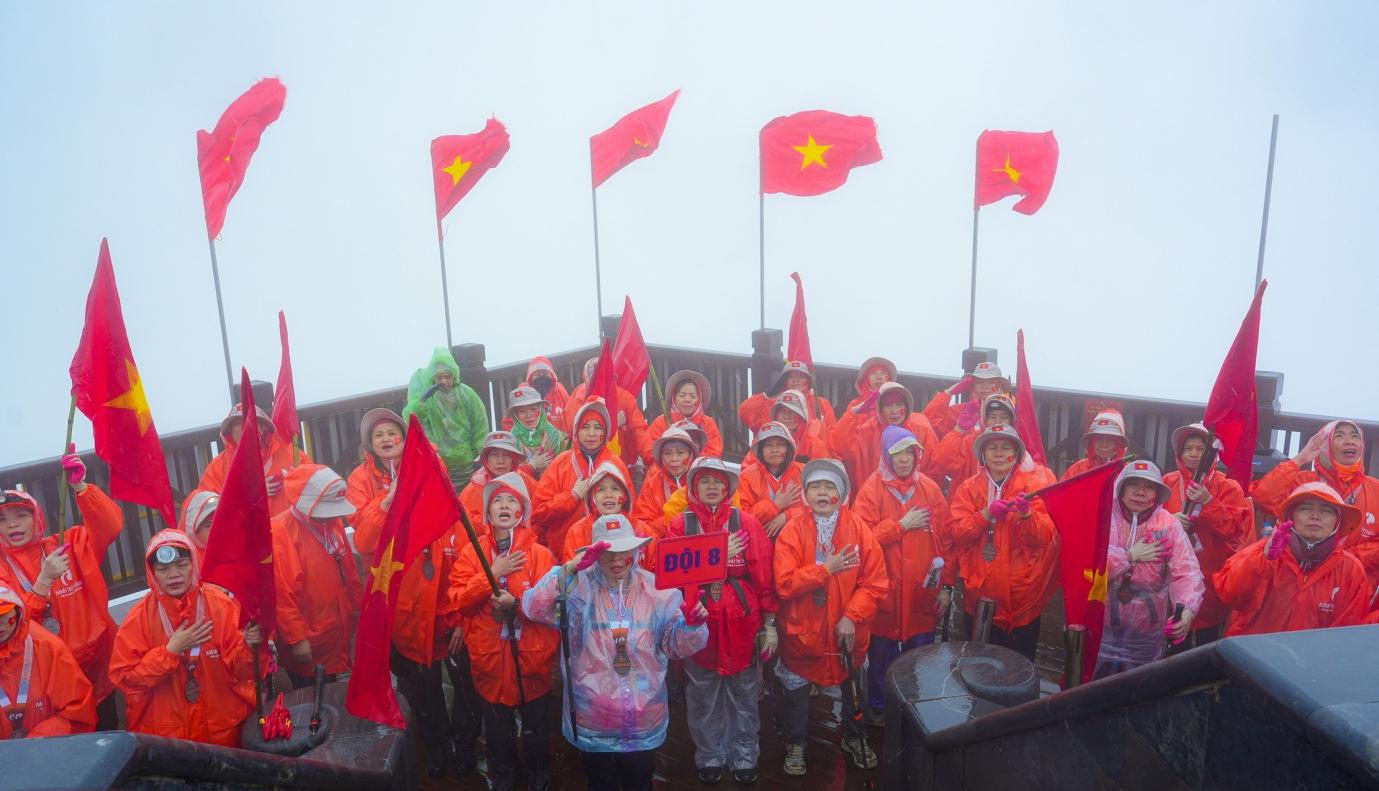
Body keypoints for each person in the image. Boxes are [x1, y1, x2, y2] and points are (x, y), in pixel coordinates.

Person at [522, 515, 709, 791]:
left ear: (635, 551)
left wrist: (692, 626)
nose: (616, 560)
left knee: (639, 782)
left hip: (644, 715)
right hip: (592, 718)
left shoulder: (658, 590)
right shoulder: (575, 587)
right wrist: (568, 570)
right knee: (600, 783)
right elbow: (535, 607)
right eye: (607, 553)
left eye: (624, 551)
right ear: (595, 554)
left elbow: (675, 646)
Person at [346, 409, 474, 777]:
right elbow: (366, 539)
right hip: (399, 595)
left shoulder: (430, 465)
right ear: (369, 444)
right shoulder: (360, 480)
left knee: (465, 678)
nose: (387, 439)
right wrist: (386, 502)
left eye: (393, 432)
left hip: (443, 585)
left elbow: (452, 519)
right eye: (378, 435)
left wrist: (462, 612)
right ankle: (436, 747)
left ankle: (464, 745)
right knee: (424, 683)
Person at [663, 457, 777, 785]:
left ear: (728, 488)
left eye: (718, 482)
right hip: (699, 624)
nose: (712, 487)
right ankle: (710, 755)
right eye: (705, 481)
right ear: (693, 487)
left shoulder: (749, 524)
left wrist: (769, 625)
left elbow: (763, 578)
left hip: (742, 623)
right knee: (702, 695)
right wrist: (718, 557)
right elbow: (672, 579)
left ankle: (744, 755)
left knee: (744, 694)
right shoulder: (680, 526)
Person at [773, 459, 887, 776]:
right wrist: (824, 571)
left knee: (853, 684)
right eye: (815, 486)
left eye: (829, 486)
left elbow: (874, 582)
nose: (822, 492)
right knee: (795, 688)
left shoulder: (859, 530)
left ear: (841, 492)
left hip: (847, 633)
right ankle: (796, 743)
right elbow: (784, 584)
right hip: (802, 632)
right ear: (806, 493)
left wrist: (852, 616)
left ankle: (854, 737)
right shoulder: (792, 530)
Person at [447, 473, 558, 791]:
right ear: (487, 511)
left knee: (536, 723)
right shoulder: (472, 553)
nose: (505, 505)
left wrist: (518, 603)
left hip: (532, 659)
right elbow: (460, 602)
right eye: (497, 500)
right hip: (490, 660)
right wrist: (490, 576)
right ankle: (504, 772)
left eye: (512, 500)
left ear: (522, 510)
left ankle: (539, 770)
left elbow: (552, 606)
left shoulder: (540, 555)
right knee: (497, 727)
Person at [0, 449, 123, 729]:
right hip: (48, 678)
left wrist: (81, 487)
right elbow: (13, 627)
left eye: (21, 515)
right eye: (3, 520)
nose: (13, 525)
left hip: (98, 664)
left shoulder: (70, 544)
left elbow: (110, 526)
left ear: (37, 518)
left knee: (108, 736)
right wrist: (44, 582)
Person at [109, 530, 258, 746]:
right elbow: (125, 679)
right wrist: (169, 652)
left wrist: (251, 647)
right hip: (169, 739)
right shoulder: (139, 618)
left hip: (224, 729)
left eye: (182, 565)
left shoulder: (221, 605)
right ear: (152, 573)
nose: (174, 574)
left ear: (194, 564)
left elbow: (243, 671)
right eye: (163, 569)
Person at [850, 426, 952, 723]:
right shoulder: (872, 489)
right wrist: (900, 525)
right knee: (881, 655)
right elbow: (861, 539)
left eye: (910, 452)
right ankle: (880, 707)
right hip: (884, 592)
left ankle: (911, 706)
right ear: (886, 456)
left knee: (919, 657)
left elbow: (946, 542)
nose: (905, 459)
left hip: (922, 592)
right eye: (897, 453)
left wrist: (946, 586)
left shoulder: (930, 489)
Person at [946, 424, 1058, 661]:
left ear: (1016, 454)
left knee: (1020, 668)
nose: (998, 453)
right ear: (983, 454)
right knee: (978, 667)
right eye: (992, 448)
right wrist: (985, 515)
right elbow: (957, 532)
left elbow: (1043, 539)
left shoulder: (1033, 487)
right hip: (979, 598)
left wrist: (1028, 516)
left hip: (1023, 601)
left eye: (1005, 447)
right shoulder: (968, 489)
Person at [1094, 461, 1205, 679]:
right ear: (1122, 488)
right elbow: (1086, 564)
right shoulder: (1104, 518)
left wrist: (1188, 612)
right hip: (1100, 626)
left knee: (1138, 690)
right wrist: (1128, 556)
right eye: (1133, 484)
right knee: (1093, 689)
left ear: (1156, 493)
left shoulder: (1168, 525)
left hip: (1145, 632)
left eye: (1149, 486)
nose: (1140, 492)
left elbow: (1187, 573)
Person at [1215, 482, 1370, 636]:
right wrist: (1262, 560)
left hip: (1310, 660)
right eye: (1306, 508)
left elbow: (1346, 633)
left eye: (1326, 510)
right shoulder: (1263, 551)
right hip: (1253, 656)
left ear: (1338, 522)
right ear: (1291, 516)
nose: (1315, 516)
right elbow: (1229, 595)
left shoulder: (1351, 570)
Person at [1251, 420, 1379, 588]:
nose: (1349, 440)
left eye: (1355, 436)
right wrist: (1300, 458)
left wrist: (1346, 559)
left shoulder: (1375, 489)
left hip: (1352, 586)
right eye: (1339, 436)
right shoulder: (1304, 482)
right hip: (1296, 583)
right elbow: (1263, 497)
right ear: (1325, 446)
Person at [1161, 422, 1253, 646]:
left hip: (1211, 581)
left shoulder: (1229, 487)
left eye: (1200, 448)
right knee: (1173, 646)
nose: (1193, 454)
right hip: (1172, 578)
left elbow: (1235, 531)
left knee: (1206, 647)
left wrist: (1209, 503)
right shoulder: (1167, 482)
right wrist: (1170, 522)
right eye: (1188, 448)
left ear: (1211, 453)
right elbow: (1150, 524)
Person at [272, 465, 363, 690]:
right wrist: (297, 640)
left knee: (331, 690)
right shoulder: (281, 533)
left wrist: (359, 607)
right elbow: (283, 594)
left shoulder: (331, 523)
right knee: (312, 698)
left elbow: (349, 571)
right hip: (309, 641)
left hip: (335, 632)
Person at [533, 399, 631, 557]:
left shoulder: (616, 465)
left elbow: (630, 511)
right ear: (576, 431)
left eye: (598, 427)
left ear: (605, 433)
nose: (592, 433)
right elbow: (538, 514)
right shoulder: (561, 464)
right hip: (565, 555)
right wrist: (571, 497)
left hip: (612, 554)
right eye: (585, 427)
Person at [0, 585, 96, 739]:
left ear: (18, 611)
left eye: (3, 613)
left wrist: (35, 744)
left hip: (50, 754)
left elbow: (77, 711)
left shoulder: (48, 647)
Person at [198, 402, 311, 516]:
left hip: (287, 531)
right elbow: (206, 511)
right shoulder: (217, 468)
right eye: (237, 423)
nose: (245, 427)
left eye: (250, 420)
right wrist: (248, 494)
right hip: (246, 533)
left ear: (263, 427)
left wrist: (296, 482)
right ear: (230, 432)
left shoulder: (292, 455)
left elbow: (315, 489)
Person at [831, 381, 941, 495]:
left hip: (913, 501)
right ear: (879, 408)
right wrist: (852, 413)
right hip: (873, 501)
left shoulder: (921, 428)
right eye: (888, 405)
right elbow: (842, 449)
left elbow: (934, 468)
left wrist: (925, 495)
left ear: (907, 406)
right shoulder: (867, 431)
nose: (894, 411)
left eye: (899, 405)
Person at [403, 346, 490, 490]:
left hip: (467, 465)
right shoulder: (428, 399)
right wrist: (421, 402)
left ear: (454, 375)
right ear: (432, 377)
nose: (444, 381)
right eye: (439, 377)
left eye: (448, 376)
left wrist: (479, 455)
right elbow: (411, 420)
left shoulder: (467, 394)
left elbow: (480, 424)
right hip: (439, 467)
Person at [561, 462, 656, 570]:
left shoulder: (643, 530)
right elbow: (570, 577)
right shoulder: (577, 532)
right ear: (592, 497)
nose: (608, 495)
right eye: (601, 490)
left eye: (615, 489)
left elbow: (655, 573)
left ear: (625, 495)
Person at [563, 358, 651, 468]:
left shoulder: (625, 398)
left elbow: (639, 432)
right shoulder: (577, 396)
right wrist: (611, 424)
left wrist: (651, 459)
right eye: (596, 379)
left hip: (620, 464)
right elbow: (570, 429)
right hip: (584, 465)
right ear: (586, 378)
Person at [459, 431, 539, 535]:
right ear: (485, 459)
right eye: (494, 455)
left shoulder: (528, 483)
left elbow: (539, 517)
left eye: (506, 454)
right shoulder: (471, 491)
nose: (500, 460)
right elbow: (463, 527)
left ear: (514, 459)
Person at [737, 422, 807, 541]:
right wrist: (775, 506)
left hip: (799, 540)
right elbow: (742, 518)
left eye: (780, 444)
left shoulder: (804, 471)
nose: (774, 450)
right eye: (768, 445)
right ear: (760, 450)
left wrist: (787, 516)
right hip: (760, 543)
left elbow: (818, 508)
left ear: (788, 448)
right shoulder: (747, 476)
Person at [932, 393, 1018, 488]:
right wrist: (959, 429)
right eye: (992, 417)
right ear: (985, 420)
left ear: (1011, 421)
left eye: (1004, 417)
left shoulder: (1018, 447)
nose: (998, 421)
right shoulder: (971, 442)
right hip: (966, 500)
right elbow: (942, 462)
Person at [632, 426, 700, 540]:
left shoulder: (703, 481)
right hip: (665, 550)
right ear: (661, 457)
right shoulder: (652, 484)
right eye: (667, 453)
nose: (674, 459)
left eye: (680, 453)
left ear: (691, 455)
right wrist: (671, 519)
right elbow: (642, 530)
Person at [920, 361, 1012, 442]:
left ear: (1000, 387)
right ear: (972, 387)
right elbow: (929, 422)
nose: (984, 386)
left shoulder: (1011, 411)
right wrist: (948, 393)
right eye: (979, 382)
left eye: (991, 382)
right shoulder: (963, 411)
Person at [738, 360, 837, 434]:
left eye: (801, 376)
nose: (796, 380)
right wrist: (768, 393)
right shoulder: (775, 404)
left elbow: (833, 435)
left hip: (813, 454)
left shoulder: (820, 404)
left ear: (808, 381)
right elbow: (745, 412)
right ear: (784, 382)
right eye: (791, 377)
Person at [647, 370, 724, 458]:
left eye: (693, 396)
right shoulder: (660, 422)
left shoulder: (708, 423)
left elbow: (714, 453)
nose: (687, 399)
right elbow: (649, 453)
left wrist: (689, 462)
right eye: (682, 395)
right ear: (674, 397)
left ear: (699, 399)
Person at [750, 390, 831, 464]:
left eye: (793, 412)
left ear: (802, 417)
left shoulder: (816, 446)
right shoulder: (761, 441)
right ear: (775, 415)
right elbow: (748, 472)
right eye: (782, 411)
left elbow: (826, 476)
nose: (787, 417)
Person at [504, 385, 567, 478]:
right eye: (522, 411)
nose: (529, 415)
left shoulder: (559, 438)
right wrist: (531, 465)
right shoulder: (508, 444)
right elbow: (506, 476)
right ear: (515, 415)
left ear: (541, 411)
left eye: (534, 409)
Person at [1062, 411, 1128, 480]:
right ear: (1091, 443)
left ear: (1119, 444)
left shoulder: (1127, 471)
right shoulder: (1077, 470)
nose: (1104, 445)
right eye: (1099, 439)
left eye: (1110, 440)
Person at [521, 356, 572, 432]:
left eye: (545, 374)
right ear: (530, 378)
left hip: (560, 442)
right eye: (537, 374)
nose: (542, 377)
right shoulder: (522, 393)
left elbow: (571, 415)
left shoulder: (560, 390)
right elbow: (509, 423)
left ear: (552, 375)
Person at [179, 489, 220, 555]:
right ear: (194, 533)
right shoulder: (186, 562)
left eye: (221, 522)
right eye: (209, 525)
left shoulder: (240, 552)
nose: (218, 529)